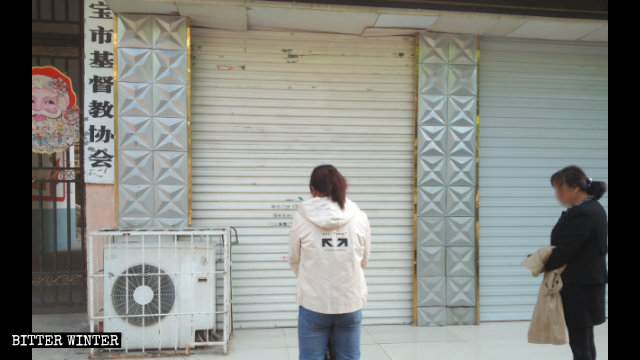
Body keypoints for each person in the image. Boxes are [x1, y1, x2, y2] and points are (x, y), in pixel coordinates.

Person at [288, 165, 371, 360]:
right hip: (349, 301)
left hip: (313, 303)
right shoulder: (359, 217)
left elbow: (294, 259)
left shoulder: (301, 218)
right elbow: (363, 259)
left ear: (312, 190)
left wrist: (312, 276)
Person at [544, 165, 608, 360]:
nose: (557, 194)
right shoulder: (594, 208)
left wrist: (542, 262)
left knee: (580, 344)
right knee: (585, 341)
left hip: (579, 285)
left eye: (559, 188)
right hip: (588, 282)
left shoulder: (583, 213)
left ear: (574, 188)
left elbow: (567, 249)